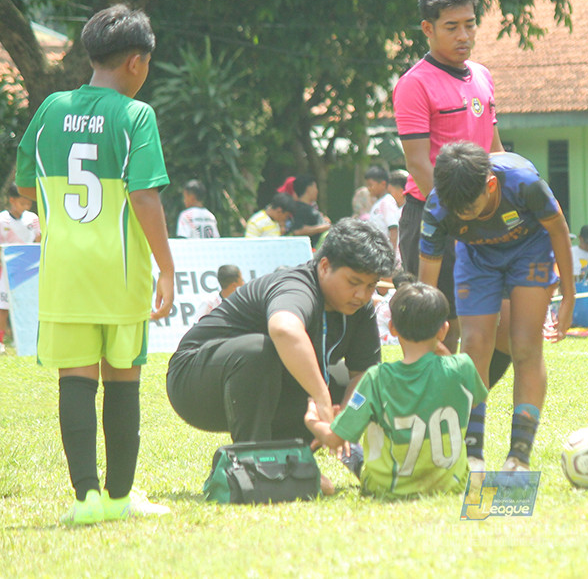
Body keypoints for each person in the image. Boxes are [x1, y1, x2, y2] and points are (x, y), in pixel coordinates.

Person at [15, 4, 175, 524]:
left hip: (63, 271)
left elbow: (23, 186)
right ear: (136, 62)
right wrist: (167, 268)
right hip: (120, 272)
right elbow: (145, 197)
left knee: (76, 380)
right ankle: (120, 496)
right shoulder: (136, 115)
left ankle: (84, 500)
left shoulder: (50, 109)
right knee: (123, 379)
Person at [166, 219, 394, 461]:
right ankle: (258, 463)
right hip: (194, 381)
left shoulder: (360, 308)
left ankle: (293, 460)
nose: (361, 295)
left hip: (259, 386)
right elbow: (284, 330)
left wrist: (345, 421)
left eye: (370, 286)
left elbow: (363, 374)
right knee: (259, 351)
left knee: (338, 380)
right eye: (353, 282)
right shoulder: (297, 286)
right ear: (325, 266)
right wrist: (321, 398)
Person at [418, 142, 574, 471]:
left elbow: (559, 230)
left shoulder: (524, 183)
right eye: (456, 211)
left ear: (490, 186)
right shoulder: (438, 206)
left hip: (530, 251)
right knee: (475, 344)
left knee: (525, 346)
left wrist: (569, 296)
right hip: (477, 259)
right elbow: (426, 282)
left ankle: (518, 455)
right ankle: (472, 454)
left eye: (471, 209)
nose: (463, 216)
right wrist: (426, 326)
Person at [393, 0, 505, 356]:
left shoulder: (483, 76)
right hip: (431, 215)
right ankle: (424, 412)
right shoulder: (414, 84)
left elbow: (494, 148)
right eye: (451, 27)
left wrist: (504, 204)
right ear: (428, 29)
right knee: (436, 330)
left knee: (484, 327)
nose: (464, 35)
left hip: (479, 216)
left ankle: (466, 409)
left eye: (470, 24)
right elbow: (418, 164)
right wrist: (456, 217)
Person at [305, 280, 488, 498]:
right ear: (443, 330)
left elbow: (334, 439)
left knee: (355, 447)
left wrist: (313, 421)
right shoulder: (463, 367)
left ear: (391, 327)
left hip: (386, 489)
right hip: (451, 486)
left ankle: (353, 455)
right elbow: (475, 401)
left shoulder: (376, 378)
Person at [0, 184, 42, 352]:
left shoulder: (32, 219)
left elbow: (38, 239)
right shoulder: (3, 219)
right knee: (3, 306)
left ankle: (28, 340)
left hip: (28, 269)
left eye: (28, 203)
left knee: (28, 303)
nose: (26, 206)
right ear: (12, 200)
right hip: (6, 269)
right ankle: (1, 340)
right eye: (22, 203)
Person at [365, 165, 400, 254]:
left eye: (370, 185)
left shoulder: (387, 202)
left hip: (386, 256)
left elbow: (393, 230)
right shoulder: (378, 203)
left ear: (383, 184)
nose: (368, 188)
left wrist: (391, 255)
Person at [289, 175, 331, 247]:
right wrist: (323, 227)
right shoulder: (301, 209)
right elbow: (298, 231)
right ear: (309, 189)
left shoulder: (309, 208)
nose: (317, 191)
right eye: (315, 187)